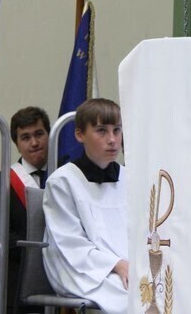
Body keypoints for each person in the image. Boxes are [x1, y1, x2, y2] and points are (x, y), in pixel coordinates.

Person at [42, 98, 128, 313]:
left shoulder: (130, 178)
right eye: (101, 131)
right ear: (80, 134)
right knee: (133, 297)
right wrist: (116, 264)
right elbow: (69, 243)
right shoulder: (63, 181)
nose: (112, 140)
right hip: (80, 269)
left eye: (116, 130)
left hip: (126, 265)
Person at [0, 106, 51, 313]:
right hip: (16, 288)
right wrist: (47, 250)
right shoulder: (2, 181)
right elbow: (0, 236)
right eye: (25, 137)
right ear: (16, 143)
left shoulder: (65, 175)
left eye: (39, 134)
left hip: (62, 287)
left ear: (49, 135)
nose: (34, 143)